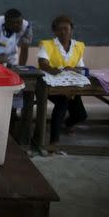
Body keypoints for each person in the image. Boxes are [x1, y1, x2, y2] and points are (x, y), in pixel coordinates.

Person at [37, 15, 87, 144]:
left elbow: (81, 68)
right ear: (54, 31)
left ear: (72, 30)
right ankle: (54, 141)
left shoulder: (78, 46)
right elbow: (43, 63)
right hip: (52, 84)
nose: (63, 32)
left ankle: (67, 124)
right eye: (59, 29)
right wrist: (61, 71)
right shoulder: (48, 45)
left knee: (81, 115)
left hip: (70, 85)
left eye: (66, 29)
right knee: (62, 103)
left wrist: (73, 70)